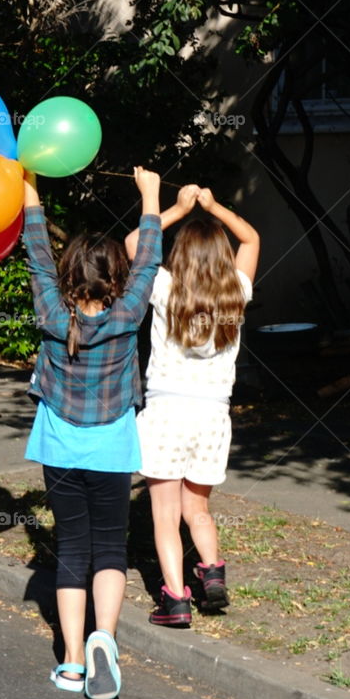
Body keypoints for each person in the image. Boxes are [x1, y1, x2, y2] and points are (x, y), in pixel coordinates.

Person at [22, 166, 161, 699]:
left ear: (67, 273)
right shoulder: (128, 314)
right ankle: (105, 637)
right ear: (116, 277)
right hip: (111, 449)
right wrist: (149, 196)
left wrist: (28, 181)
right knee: (111, 550)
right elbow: (148, 259)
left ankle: (74, 662)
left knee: (71, 551)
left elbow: (35, 247)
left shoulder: (52, 312)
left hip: (60, 447)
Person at [125, 185, 259, 628]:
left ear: (179, 255)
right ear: (221, 257)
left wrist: (179, 209)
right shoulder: (236, 292)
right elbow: (252, 240)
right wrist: (214, 206)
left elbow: (132, 245)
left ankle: (176, 600)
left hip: (166, 414)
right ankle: (213, 574)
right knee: (196, 508)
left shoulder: (164, 287)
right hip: (213, 418)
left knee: (164, 518)